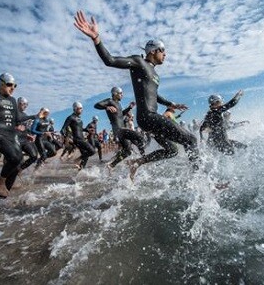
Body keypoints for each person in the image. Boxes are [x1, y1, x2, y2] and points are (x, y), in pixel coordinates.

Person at [74, 10, 199, 181]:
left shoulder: (155, 74)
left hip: (150, 118)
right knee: (191, 140)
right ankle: (204, 182)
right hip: (148, 116)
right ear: (153, 50)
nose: (165, 54)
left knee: (172, 150)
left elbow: (154, 95)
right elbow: (109, 60)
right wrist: (96, 38)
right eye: (163, 50)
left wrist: (172, 103)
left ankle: (137, 162)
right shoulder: (139, 62)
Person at [94, 86, 146, 170]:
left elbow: (121, 115)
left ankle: (111, 165)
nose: (122, 95)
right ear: (115, 94)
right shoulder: (110, 101)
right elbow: (96, 105)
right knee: (139, 137)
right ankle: (143, 159)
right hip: (119, 129)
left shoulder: (118, 104)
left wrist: (129, 108)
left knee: (128, 151)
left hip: (121, 130)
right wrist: (106, 107)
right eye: (121, 93)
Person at [60, 102, 95, 170]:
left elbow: (79, 129)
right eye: (80, 108)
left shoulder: (79, 118)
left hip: (81, 138)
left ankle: (80, 171)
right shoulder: (70, 117)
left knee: (85, 155)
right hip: (78, 139)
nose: (81, 110)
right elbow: (62, 129)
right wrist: (66, 138)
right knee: (92, 151)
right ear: (75, 109)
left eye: (82, 108)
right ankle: (76, 160)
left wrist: (87, 130)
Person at [16, 97, 39, 171]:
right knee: (15, 160)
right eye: (24, 104)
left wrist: (28, 135)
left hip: (24, 139)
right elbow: (7, 125)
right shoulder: (13, 113)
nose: (25, 106)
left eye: (26, 105)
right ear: (19, 103)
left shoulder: (25, 114)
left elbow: (24, 129)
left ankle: (20, 169)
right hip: (15, 140)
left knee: (34, 156)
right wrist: (16, 127)